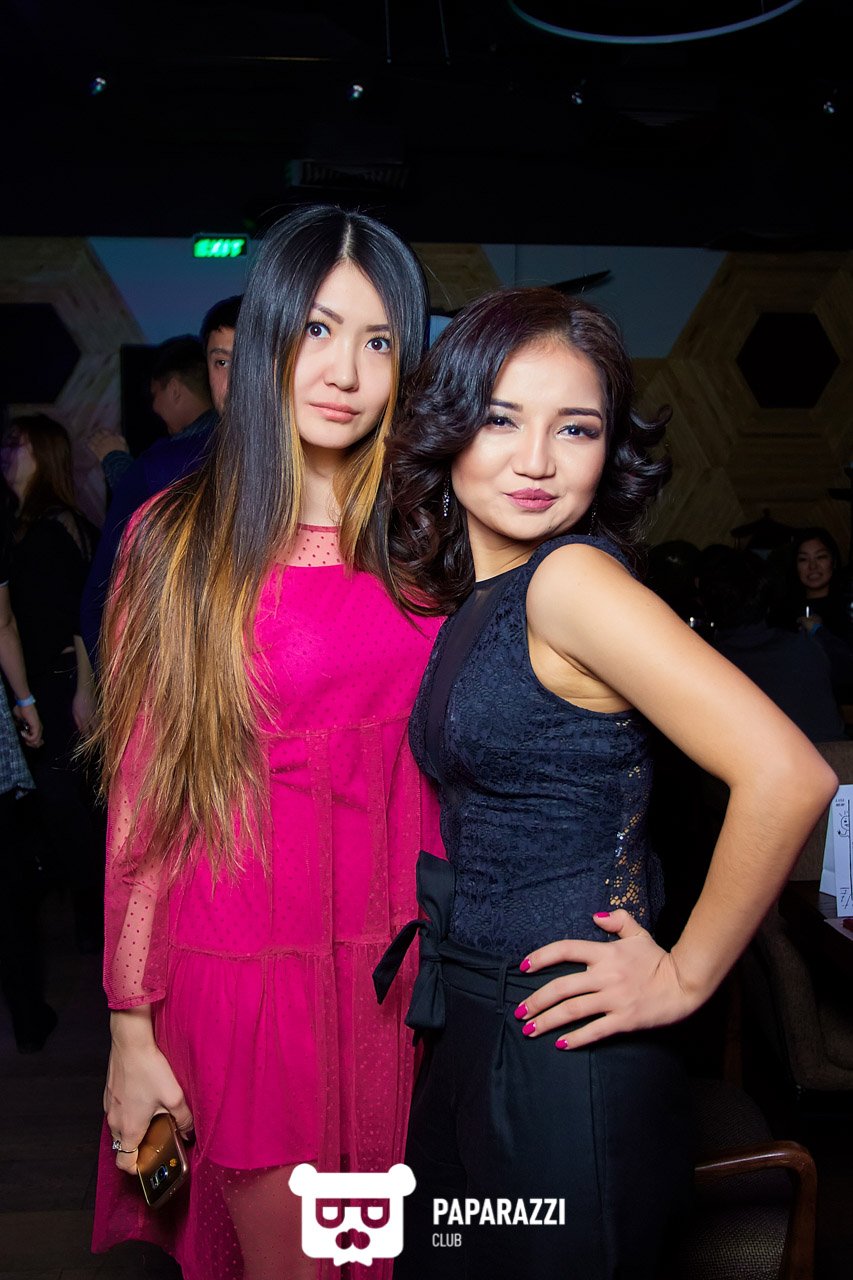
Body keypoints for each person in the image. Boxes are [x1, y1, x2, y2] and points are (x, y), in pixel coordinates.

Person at [378, 287, 837, 1279]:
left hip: (561, 1048)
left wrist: (685, 974)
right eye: (502, 418)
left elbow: (786, 771)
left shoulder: (570, 582)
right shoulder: (487, 592)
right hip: (483, 1021)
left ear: (608, 448)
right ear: (449, 427)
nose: (536, 460)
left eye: (574, 427)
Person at [92, 206, 442, 1280]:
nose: (345, 371)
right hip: (248, 970)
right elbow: (146, 804)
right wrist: (131, 1031)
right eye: (317, 330)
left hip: (402, 977)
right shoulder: (179, 541)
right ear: (268, 338)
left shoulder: (432, 535)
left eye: (378, 340)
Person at [1, 414, 102, 955]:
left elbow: (83, 614)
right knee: (59, 808)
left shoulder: (54, 528)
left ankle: (97, 930)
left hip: (59, 684)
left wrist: (85, 689)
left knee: (69, 808)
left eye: (17, 445)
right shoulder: (28, 526)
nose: (6, 453)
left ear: (44, 454)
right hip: (42, 684)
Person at [80, 335, 219, 664]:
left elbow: (139, 520)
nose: (154, 408)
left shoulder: (163, 461)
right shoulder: (241, 446)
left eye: (155, 395)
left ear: (174, 389)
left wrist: (115, 460)